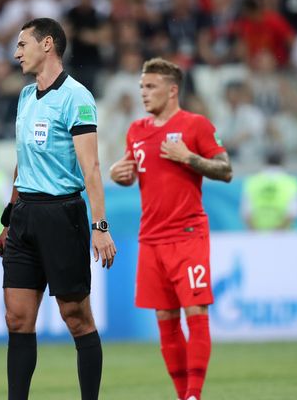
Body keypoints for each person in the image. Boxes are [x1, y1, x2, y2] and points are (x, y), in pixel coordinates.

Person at [0, 18, 116, 400]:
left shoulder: (77, 97)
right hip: (25, 214)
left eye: (22, 44)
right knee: (17, 318)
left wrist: (99, 225)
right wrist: (8, 218)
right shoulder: (26, 96)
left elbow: (91, 167)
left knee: (76, 317)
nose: (16, 53)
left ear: (47, 44)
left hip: (63, 215)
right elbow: (22, 161)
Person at [109, 58, 232, 400]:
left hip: (187, 234)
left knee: (196, 311)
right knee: (165, 318)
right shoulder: (136, 130)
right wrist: (120, 176)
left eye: (151, 87)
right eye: (142, 88)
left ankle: (194, 394)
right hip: (150, 239)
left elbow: (225, 169)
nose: (144, 94)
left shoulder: (196, 125)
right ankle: (183, 396)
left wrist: (189, 157)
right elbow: (133, 172)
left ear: (172, 89)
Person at [241, 148, 297, 231]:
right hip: (284, 237)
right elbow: (294, 212)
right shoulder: (291, 182)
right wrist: (278, 232)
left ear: (265, 161)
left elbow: (246, 213)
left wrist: (256, 233)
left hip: (258, 236)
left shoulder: (252, 181)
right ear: (283, 162)